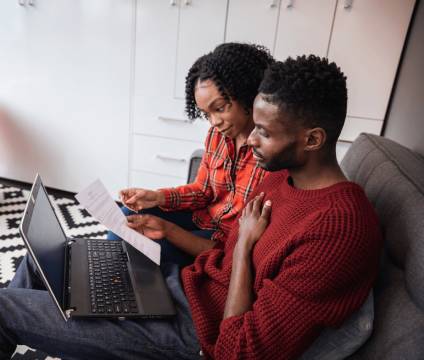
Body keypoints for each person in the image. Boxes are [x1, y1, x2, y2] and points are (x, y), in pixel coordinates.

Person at [0, 55, 382, 359]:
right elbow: (223, 253)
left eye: (263, 132)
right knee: (42, 261)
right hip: (179, 289)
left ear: (313, 139)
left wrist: (246, 246)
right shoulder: (282, 178)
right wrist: (168, 231)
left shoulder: (338, 229)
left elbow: (238, 352)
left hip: (191, 335)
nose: (249, 141)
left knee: (5, 307)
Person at [108, 43, 275, 267]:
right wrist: (157, 197)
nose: (215, 122)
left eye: (221, 108)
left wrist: (170, 230)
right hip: (203, 219)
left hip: (224, 244)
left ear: (247, 93)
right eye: (206, 114)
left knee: (140, 244)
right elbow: (203, 190)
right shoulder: (218, 135)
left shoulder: (270, 150)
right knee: (125, 216)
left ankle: (115, 290)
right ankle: (101, 283)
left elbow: (241, 247)